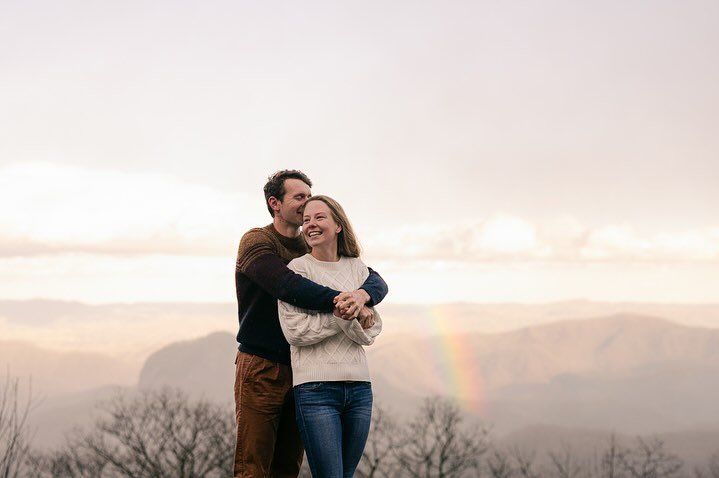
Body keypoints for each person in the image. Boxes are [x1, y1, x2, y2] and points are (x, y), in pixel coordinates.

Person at [234, 170, 388, 478]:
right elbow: (288, 287)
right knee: (254, 466)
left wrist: (360, 296)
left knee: (287, 467)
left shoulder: (310, 247)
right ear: (275, 203)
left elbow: (376, 281)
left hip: (304, 371)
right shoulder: (257, 241)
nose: (307, 204)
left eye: (309, 195)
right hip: (263, 366)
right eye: (299, 197)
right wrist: (347, 304)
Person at [278, 195, 383, 478]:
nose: (310, 224)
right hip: (315, 390)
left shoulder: (358, 269)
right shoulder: (297, 271)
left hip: (360, 388)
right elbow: (295, 332)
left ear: (338, 225)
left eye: (319, 217)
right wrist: (344, 316)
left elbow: (372, 330)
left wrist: (355, 312)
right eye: (306, 220)